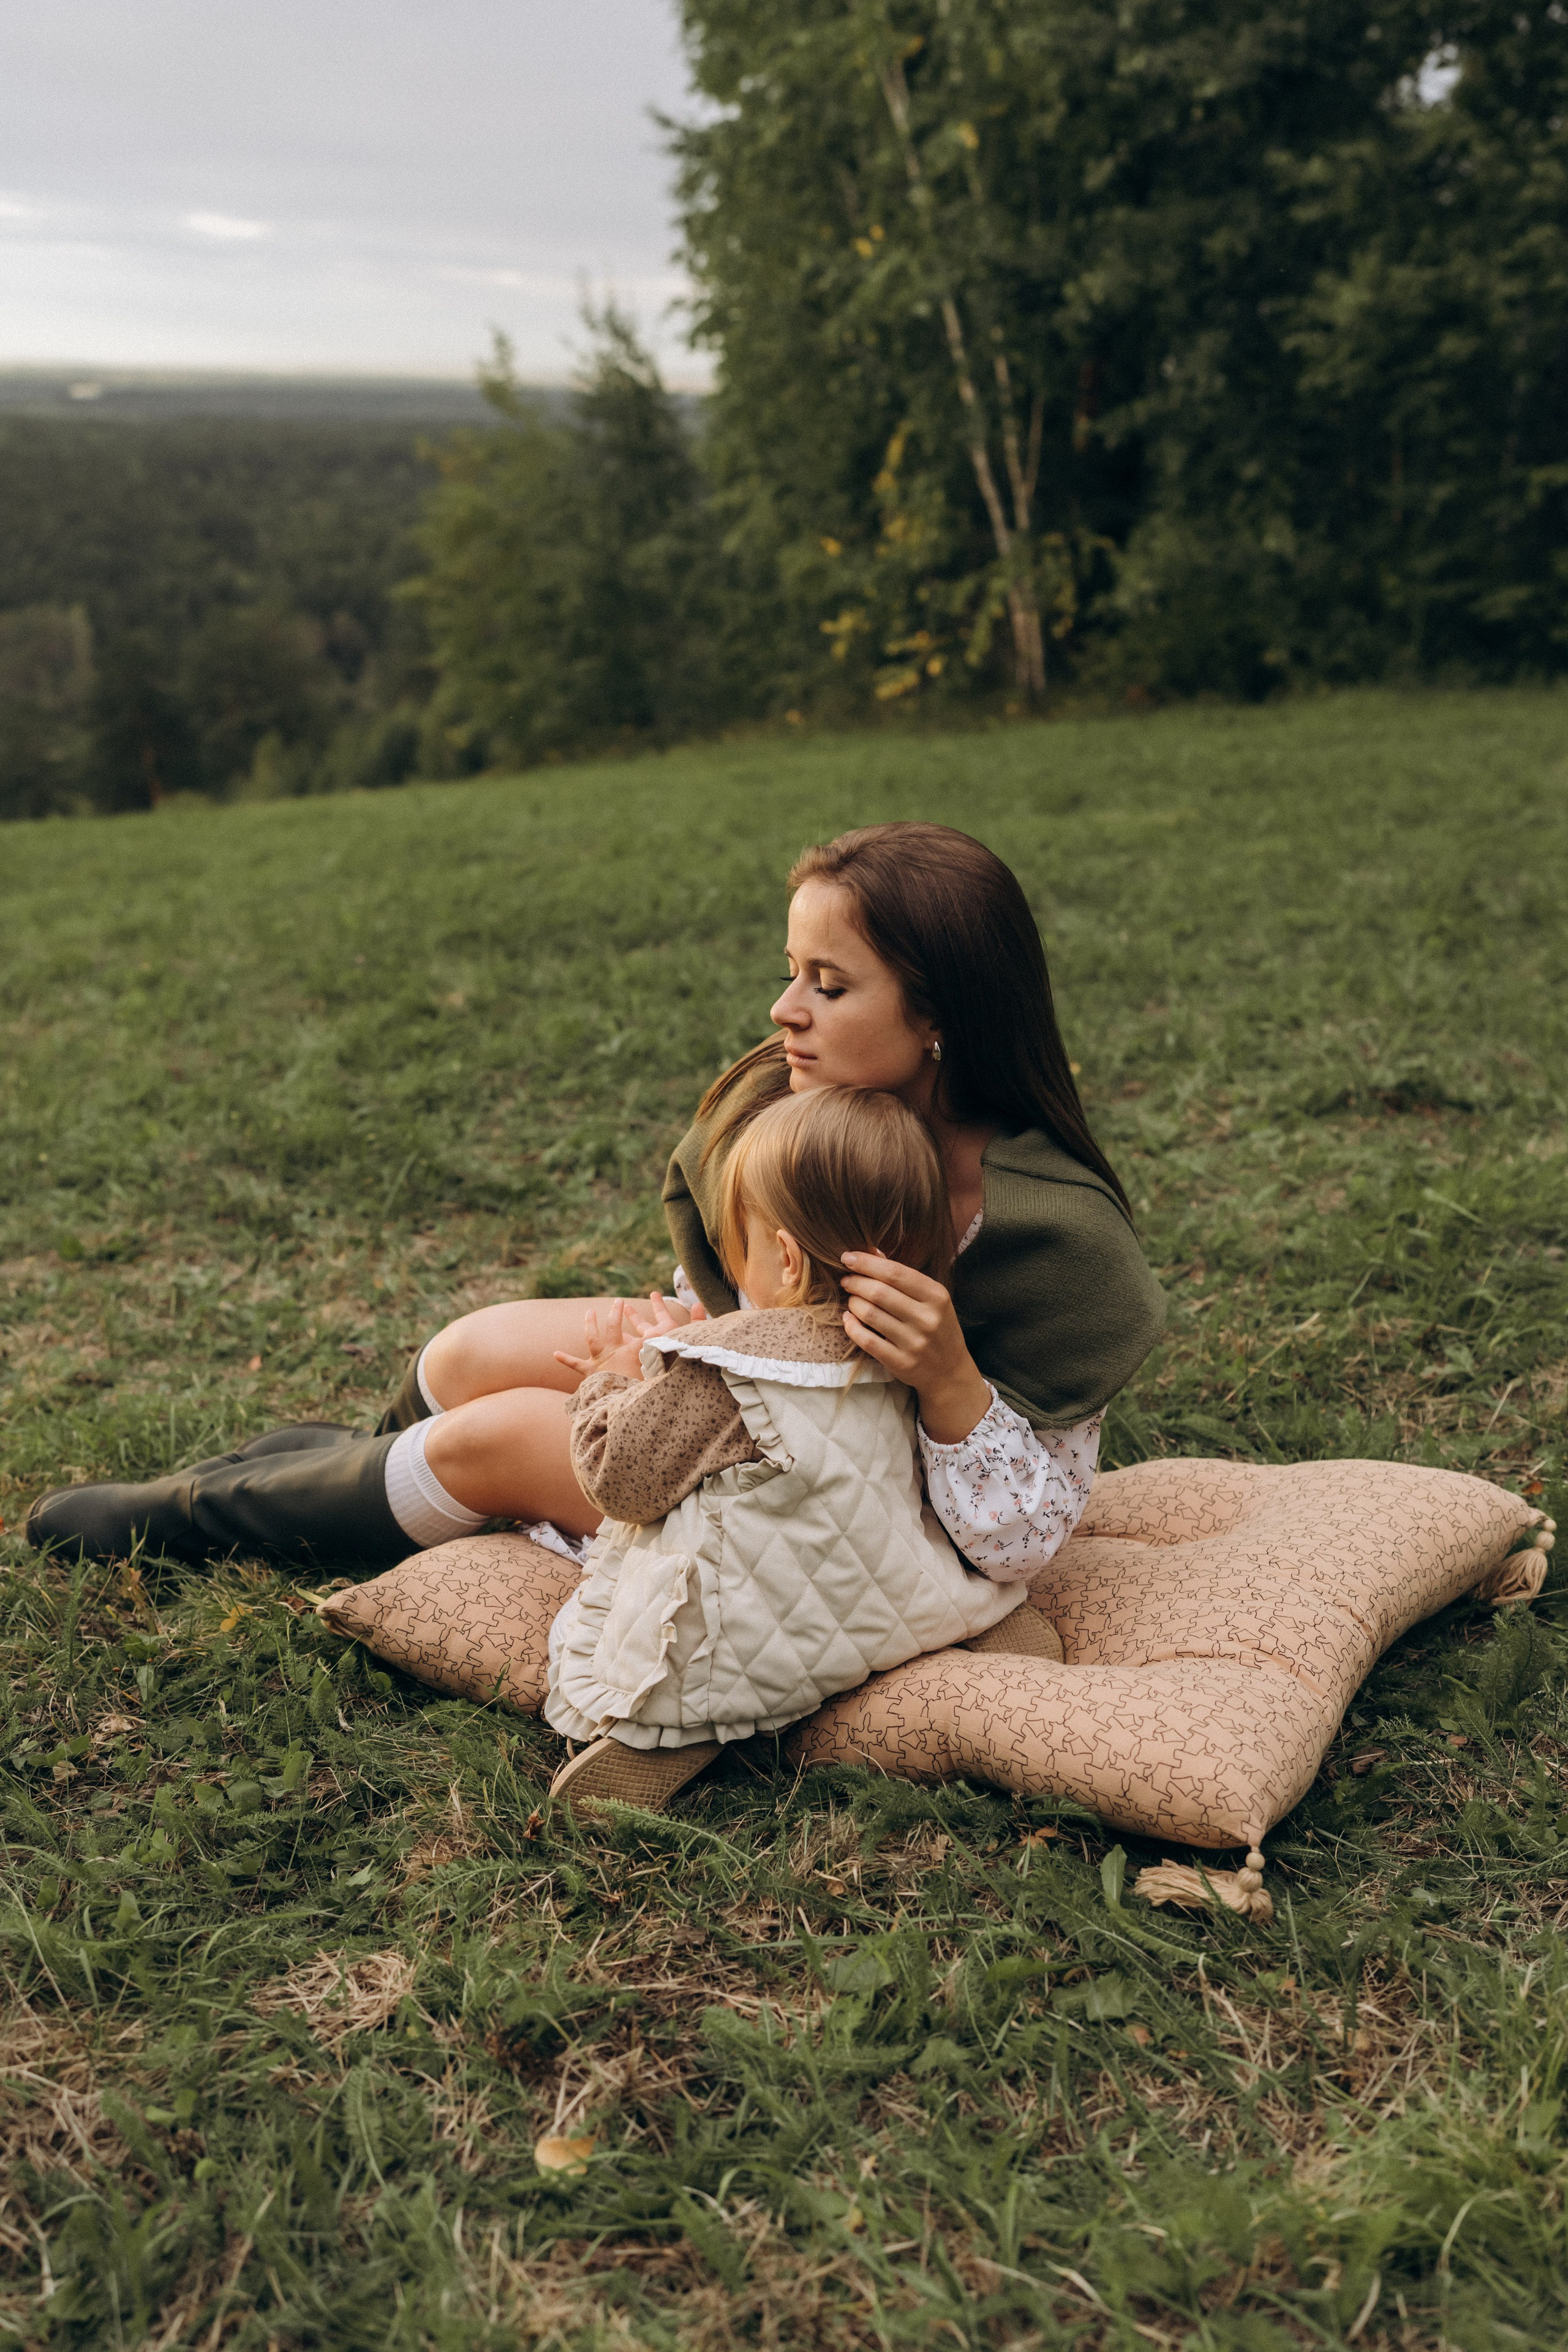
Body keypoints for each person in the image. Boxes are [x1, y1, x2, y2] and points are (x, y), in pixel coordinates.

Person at [28, 821, 1164, 1807]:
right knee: (472, 1350)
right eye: (791, 970)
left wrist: (952, 1383)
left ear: (941, 1018)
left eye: (830, 983)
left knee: (501, 1435)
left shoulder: (1044, 1235)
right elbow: (748, 1305)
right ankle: (359, 1475)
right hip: (755, 1396)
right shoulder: (796, 1104)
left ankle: (192, 1516)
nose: (784, 1010)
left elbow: (1025, 1535)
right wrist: (670, 1345)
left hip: (841, 1504)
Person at [542, 1085, 1058, 1815]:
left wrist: (613, 1380)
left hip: (757, 1634)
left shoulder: (725, 1367)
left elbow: (619, 1480)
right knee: (915, 1557)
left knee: (692, 1664)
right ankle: (985, 1618)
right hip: (901, 1590)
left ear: (783, 1259)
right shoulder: (913, 1343)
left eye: (737, 1243)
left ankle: (677, 1731)